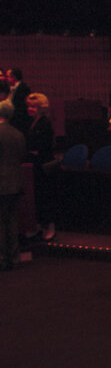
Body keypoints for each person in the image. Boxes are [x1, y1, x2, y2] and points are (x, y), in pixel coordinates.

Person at [24, 93, 56, 241]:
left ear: (41, 108)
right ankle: (36, 225)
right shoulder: (32, 122)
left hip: (43, 166)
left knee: (45, 198)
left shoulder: (45, 123)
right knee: (36, 197)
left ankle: (49, 227)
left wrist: (33, 151)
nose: (30, 109)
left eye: (33, 106)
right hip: (34, 166)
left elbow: (43, 147)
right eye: (29, 106)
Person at [0, 99, 27, 270]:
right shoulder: (18, 134)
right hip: (16, 182)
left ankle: (2, 258)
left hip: (1, 184)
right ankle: (14, 257)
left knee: (0, 223)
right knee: (12, 221)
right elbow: (22, 157)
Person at [6, 68, 32, 134]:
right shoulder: (12, 88)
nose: (6, 79)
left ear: (13, 77)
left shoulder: (23, 88)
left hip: (19, 123)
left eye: (7, 76)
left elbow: (21, 108)